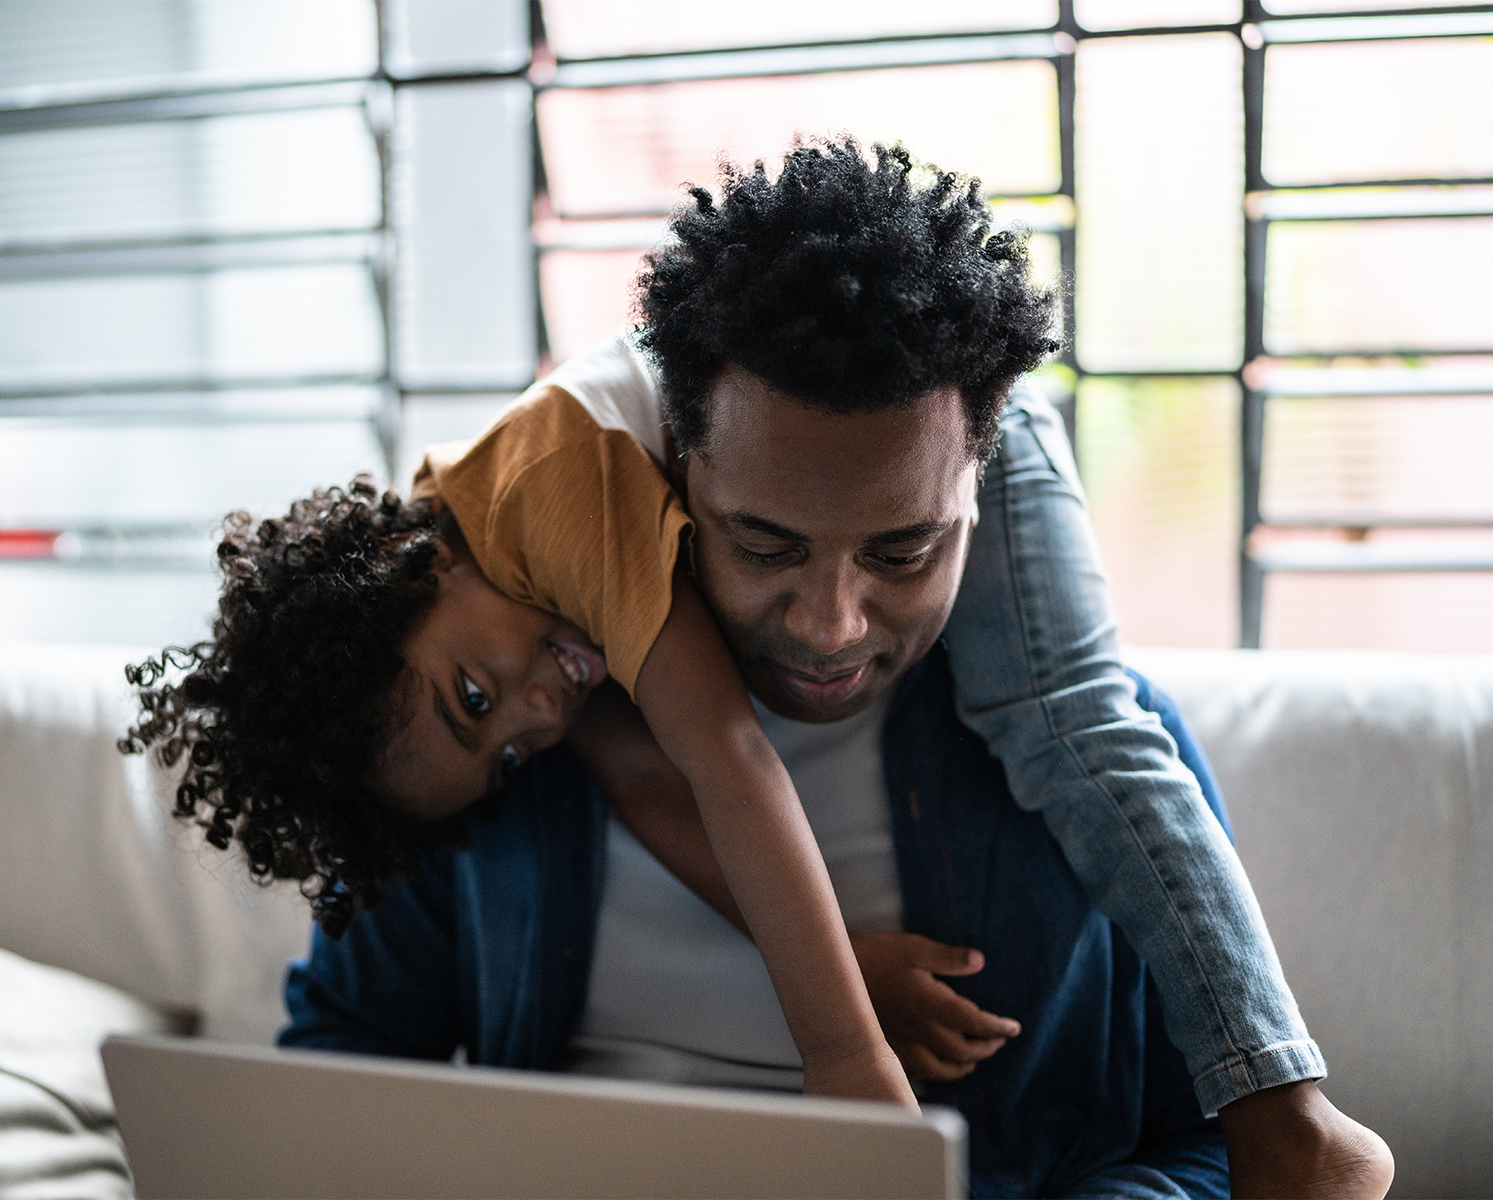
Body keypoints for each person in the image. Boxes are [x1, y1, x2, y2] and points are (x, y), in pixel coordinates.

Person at [135, 139, 1391, 1196]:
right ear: (678, 471)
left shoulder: (1082, 765)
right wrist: (844, 991)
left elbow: (1200, 1154)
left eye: (904, 550)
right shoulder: (494, 730)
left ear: (980, 494)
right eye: (764, 545)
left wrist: (858, 1078)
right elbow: (344, 1055)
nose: (834, 623)